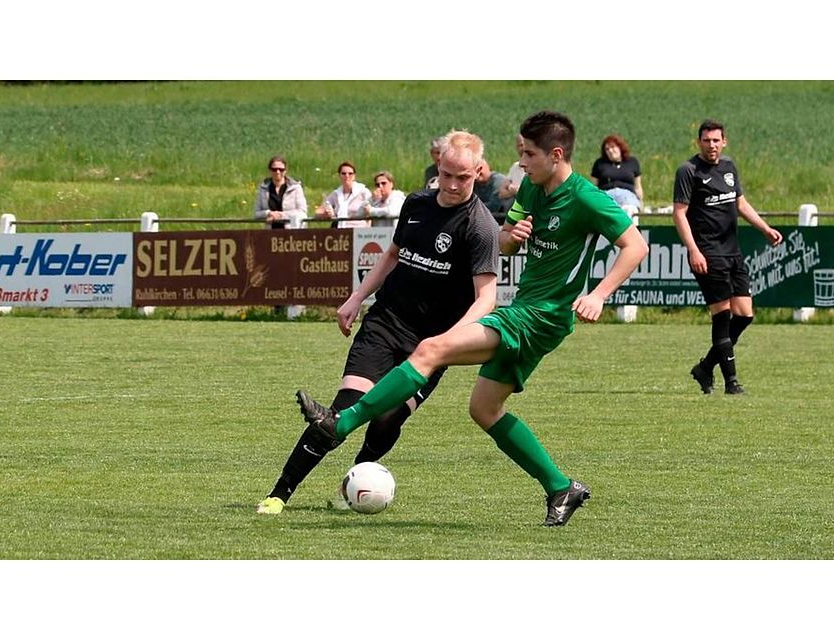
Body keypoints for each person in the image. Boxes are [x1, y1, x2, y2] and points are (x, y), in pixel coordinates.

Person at [293, 111, 649, 527]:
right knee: (483, 409)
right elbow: (503, 244)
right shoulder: (533, 189)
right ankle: (560, 487)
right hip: (525, 309)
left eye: (528, 154)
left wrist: (599, 295)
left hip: (543, 316)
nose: (521, 163)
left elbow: (635, 246)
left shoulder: (587, 198)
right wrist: (510, 238)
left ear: (556, 155)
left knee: (431, 349)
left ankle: (339, 423)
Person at [256, 130, 500, 515]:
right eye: (448, 174)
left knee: (386, 419)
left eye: (464, 177)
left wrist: (450, 341)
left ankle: (352, 483)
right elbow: (391, 256)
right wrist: (356, 297)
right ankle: (279, 494)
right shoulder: (418, 203)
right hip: (386, 322)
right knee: (346, 407)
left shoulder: (480, 227)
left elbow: (487, 297)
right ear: (439, 165)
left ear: (478, 172)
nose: (453, 185)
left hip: (432, 344)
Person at [672, 119, 783, 395]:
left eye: (716, 140)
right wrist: (694, 250)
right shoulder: (689, 171)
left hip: (732, 252)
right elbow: (679, 213)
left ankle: (705, 367)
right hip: (708, 254)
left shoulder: (729, 167)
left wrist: (765, 229)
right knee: (721, 317)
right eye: (706, 140)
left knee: (744, 315)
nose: (711, 145)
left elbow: (739, 203)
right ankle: (732, 383)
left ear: (724, 141)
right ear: (699, 142)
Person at [590, 134, 644, 212]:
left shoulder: (632, 162)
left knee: (629, 210)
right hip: (607, 195)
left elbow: (637, 187)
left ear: (620, 147)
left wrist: (641, 202)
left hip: (627, 195)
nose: (610, 151)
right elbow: (593, 187)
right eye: (607, 149)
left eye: (613, 147)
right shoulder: (600, 163)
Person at [253, 155, 308, 229]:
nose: (277, 172)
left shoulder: (296, 187)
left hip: (292, 232)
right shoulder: (263, 188)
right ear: (270, 170)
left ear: (285, 170)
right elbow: (256, 214)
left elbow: (302, 212)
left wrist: (281, 215)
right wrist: (268, 213)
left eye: (281, 169)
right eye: (274, 169)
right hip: (270, 232)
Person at [315, 161, 372, 228]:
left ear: (354, 176)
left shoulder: (363, 192)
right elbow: (318, 212)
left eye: (350, 173)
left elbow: (373, 211)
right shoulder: (336, 194)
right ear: (339, 176)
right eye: (343, 173)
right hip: (340, 232)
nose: (347, 176)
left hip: (359, 232)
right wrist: (326, 214)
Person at [496, 134, 526, 213]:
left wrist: (515, 190)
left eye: (525, 144)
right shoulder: (515, 167)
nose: (523, 148)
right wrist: (515, 191)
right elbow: (501, 193)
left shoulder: (537, 167)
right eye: (520, 145)